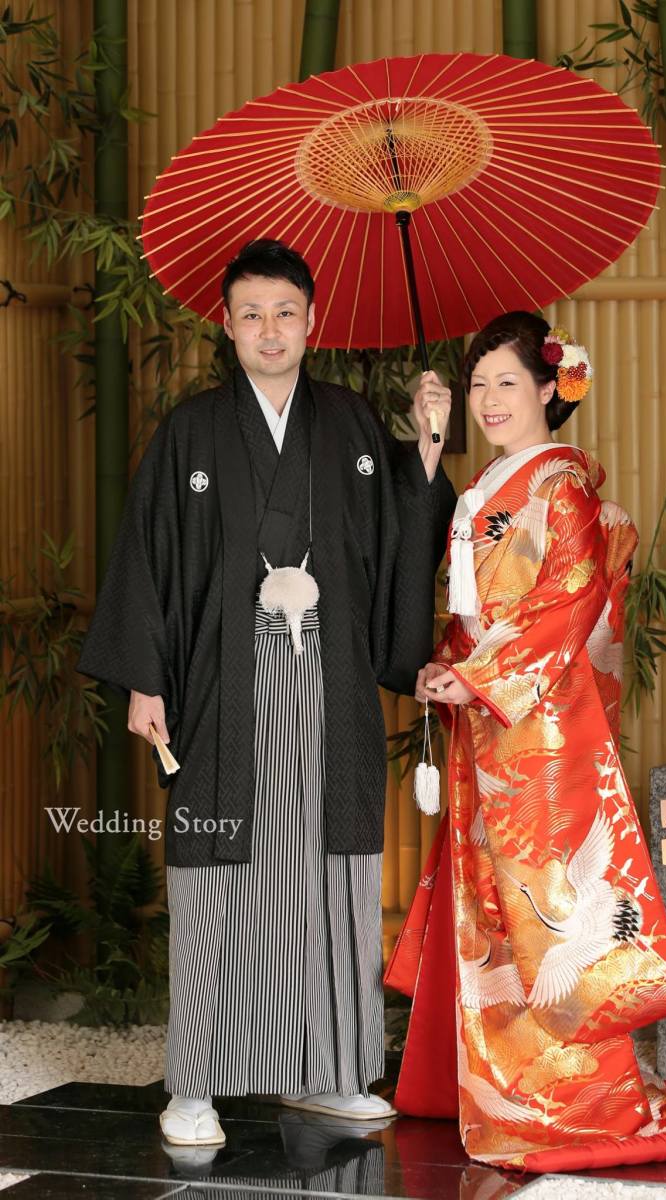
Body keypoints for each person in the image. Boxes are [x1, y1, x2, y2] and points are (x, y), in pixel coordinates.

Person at [77, 239, 456, 1146]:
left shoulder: (357, 427)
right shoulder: (194, 432)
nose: (269, 330)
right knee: (218, 877)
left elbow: (398, 533)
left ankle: (328, 1072)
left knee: (333, 878)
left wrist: (430, 450)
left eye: (285, 312)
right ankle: (197, 1083)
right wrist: (143, 678)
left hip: (327, 685)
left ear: (312, 319)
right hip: (223, 686)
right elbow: (150, 554)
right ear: (227, 325)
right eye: (250, 314)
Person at [385, 312, 666, 1171]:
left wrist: (474, 676)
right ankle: (498, 1085)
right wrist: (448, 667)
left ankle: (573, 1099)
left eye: (507, 382)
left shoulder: (559, 488)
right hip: (491, 725)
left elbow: (564, 604)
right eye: (477, 386)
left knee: (551, 915)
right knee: (494, 914)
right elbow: (479, 620)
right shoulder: (489, 486)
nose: (490, 400)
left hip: (539, 735)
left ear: (549, 388)